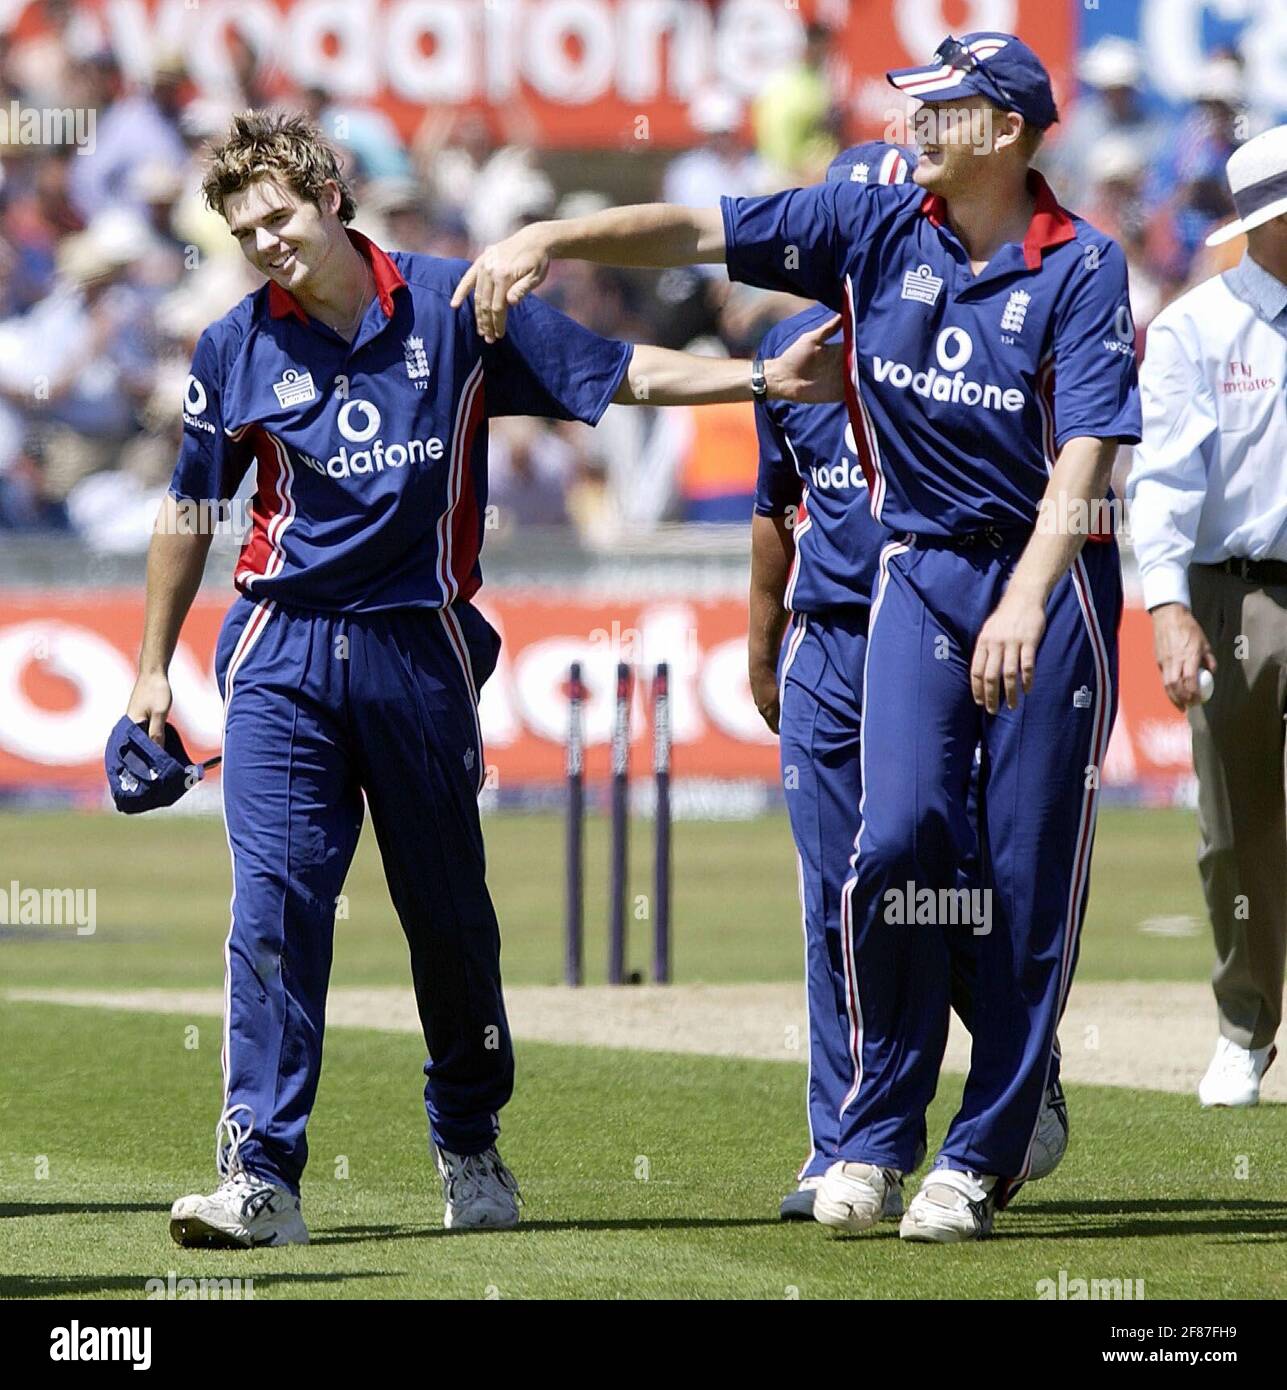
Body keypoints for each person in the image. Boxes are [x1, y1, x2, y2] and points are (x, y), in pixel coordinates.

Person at [455, 30, 1140, 1244]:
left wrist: (1032, 595)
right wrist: (546, 239)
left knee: (1029, 890)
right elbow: (695, 230)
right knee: (896, 846)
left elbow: (1085, 452)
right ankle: (874, 1136)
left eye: (945, 108)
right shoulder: (867, 222)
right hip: (917, 572)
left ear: (1010, 130)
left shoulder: (1080, 265)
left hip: (1051, 579)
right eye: (915, 105)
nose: (917, 125)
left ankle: (979, 1156)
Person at [120, 109, 835, 1250]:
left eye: (281, 216)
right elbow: (190, 511)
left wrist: (757, 378)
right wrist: (150, 671)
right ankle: (261, 1173)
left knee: (448, 920)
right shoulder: (236, 343)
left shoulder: (459, 303)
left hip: (420, 645)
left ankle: (467, 1141)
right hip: (281, 651)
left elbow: (615, 375)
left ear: (331, 196)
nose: (267, 243)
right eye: (245, 230)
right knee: (273, 910)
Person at [751, 142, 1066, 1225]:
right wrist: (762, 649)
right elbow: (771, 513)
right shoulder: (788, 350)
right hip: (830, 643)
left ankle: (1019, 1083)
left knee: (955, 872)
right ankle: (845, 1138)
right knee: (843, 889)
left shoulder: (957, 326)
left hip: (949, 625)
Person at [1126, 124, 1287, 1109]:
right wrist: (1169, 606)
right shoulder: (1196, 328)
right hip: (1236, 592)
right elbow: (1163, 482)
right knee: (1236, 829)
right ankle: (1246, 1023)